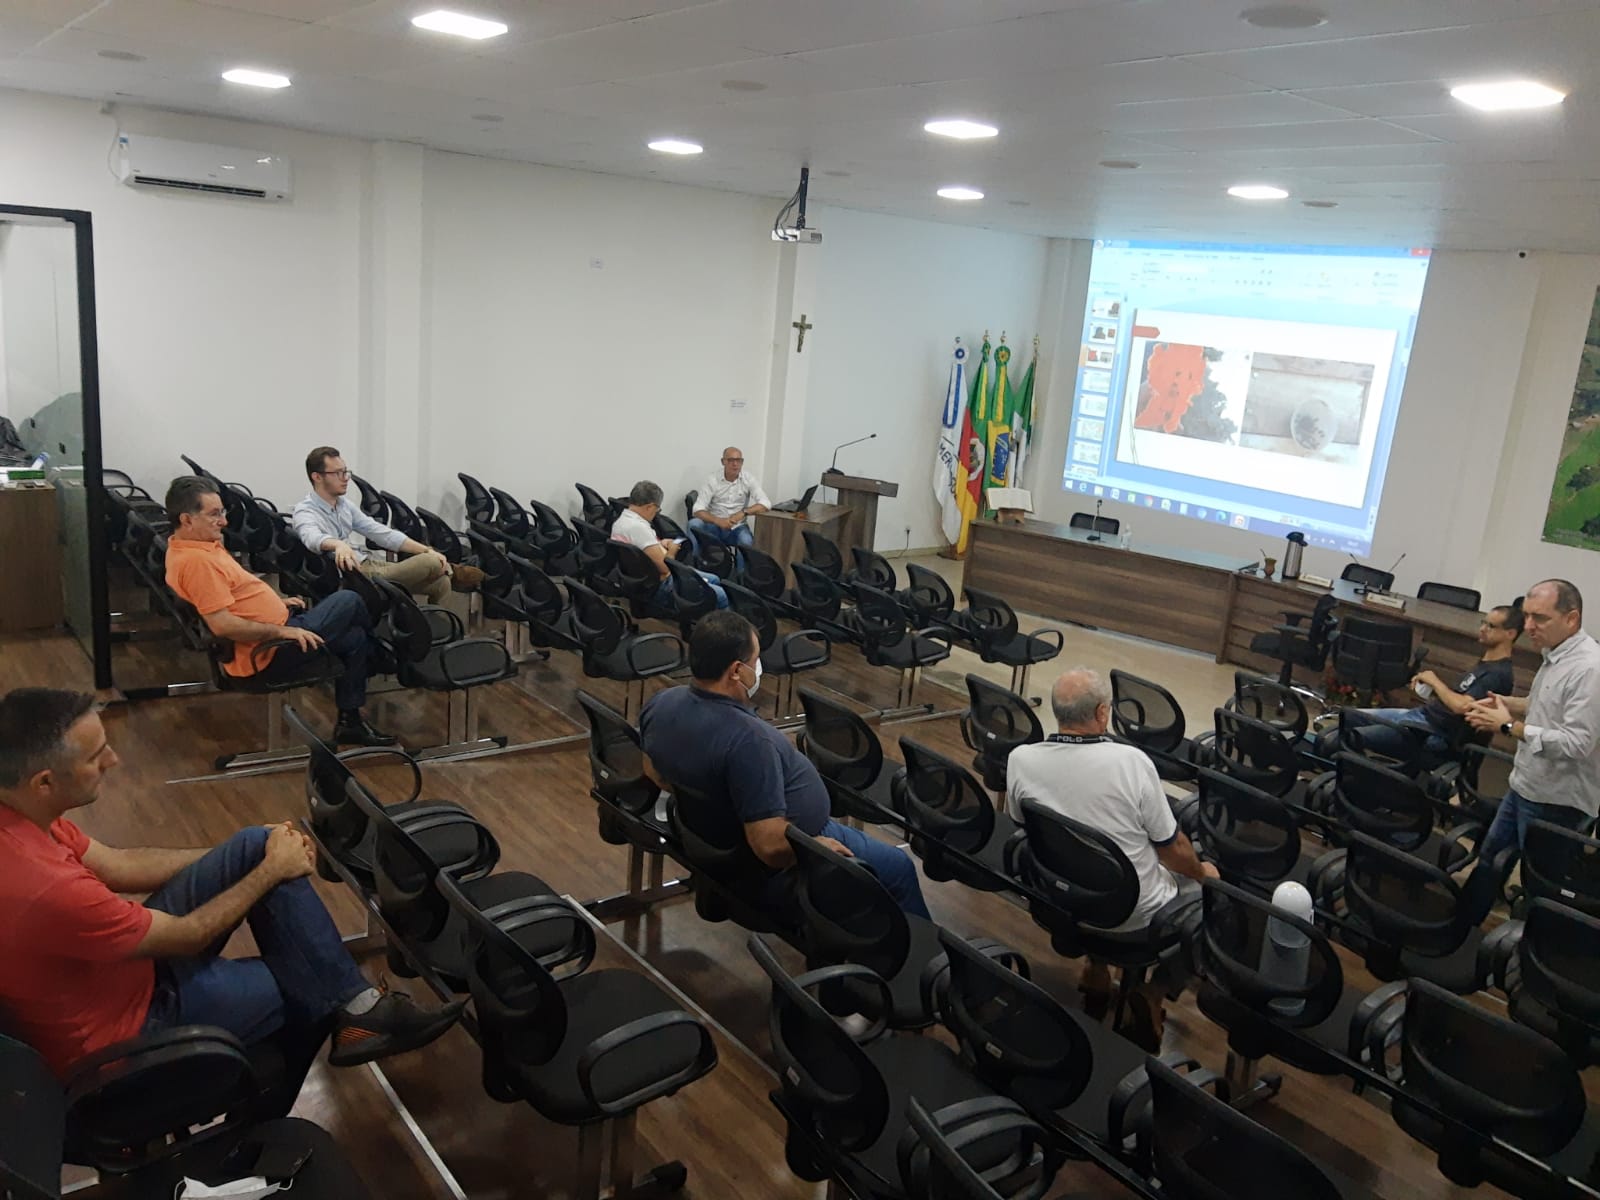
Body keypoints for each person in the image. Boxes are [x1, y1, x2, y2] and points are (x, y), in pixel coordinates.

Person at [0, 688, 464, 1079]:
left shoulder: (24, 814)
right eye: (96, 756)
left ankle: (358, 1009)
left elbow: (118, 865)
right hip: (129, 1031)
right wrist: (271, 871)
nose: (113, 759)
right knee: (307, 987)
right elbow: (186, 937)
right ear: (45, 782)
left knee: (255, 843)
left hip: (122, 975)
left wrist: (247, 859)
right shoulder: (47, 886)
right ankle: (293, 1081)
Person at [639, 610, 929, 919]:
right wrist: (815, 849)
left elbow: (653, 771)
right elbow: (770, 847)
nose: (759, 668)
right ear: (736, 671)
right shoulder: (748, 742)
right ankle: (913, 948)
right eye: (755, 660)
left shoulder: (661, 703)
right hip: (791, 851)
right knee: (899, 868)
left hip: (720, 838)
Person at [1005, 667, 1215, 1050]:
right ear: (1103, 713)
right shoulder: (1131, 763)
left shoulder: (1021, 759)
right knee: (1213, 900)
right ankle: (1155, 992)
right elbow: (1172, 850)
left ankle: (1097, 967)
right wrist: (1203, 873)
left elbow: (1025, 825)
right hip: (1133, 916)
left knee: (1082, 857)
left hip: (1061, 897)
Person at [164, 474, 396, 747]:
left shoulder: (195, 546)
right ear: (187, 520)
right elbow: (223, 625)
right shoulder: (197, 564)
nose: (224, 521)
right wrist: (284, 632)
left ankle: (350, 723)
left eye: (222, 512)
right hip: (266, 652)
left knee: (355, 638)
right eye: (214, 514)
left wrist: (275, 604)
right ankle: (384, 657)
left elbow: (233, 596)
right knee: (350, 599)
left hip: (273, 635)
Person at [1465, 578, 1600, 879]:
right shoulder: (1555, 653)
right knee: (1488, 862)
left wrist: (1508, 726)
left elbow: (1576, 744)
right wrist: (1505, 702)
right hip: (1525, 784)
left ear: (1572, 618)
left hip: (1557, 801)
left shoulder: (1590, 669)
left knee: (1538, 881)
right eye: (1526, 616)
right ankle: (1468, 910)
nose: (1528, 627)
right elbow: (1544, 706)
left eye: (1539, 618)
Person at [291, 446, 483, 605]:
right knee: (431, 563)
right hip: (355, 575)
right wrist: (337, 544)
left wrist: (426, 550)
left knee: (441, 584)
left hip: (368, 562)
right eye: (337, 473)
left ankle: (432, 630)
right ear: (317, 477)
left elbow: (382, 534)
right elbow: (311, 538)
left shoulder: (344, 505)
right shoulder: (305, 511)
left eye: (345, 472)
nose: (345, 478)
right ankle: (453, 570)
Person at [1341, 602, 1523, 765]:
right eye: (1483, 623)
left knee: (1348, 736)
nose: (1483, 629)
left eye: (1491, 626)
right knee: (1346, 717)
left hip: (1432, 734)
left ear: (1510, 634)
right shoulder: (1486, 664)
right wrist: (1432, 690)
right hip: (1423, 717)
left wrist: (1435, 681)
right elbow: (1459, 698)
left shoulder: (1497, 674)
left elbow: (1462, 706)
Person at [611, 480, 729, 610]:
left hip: (641, 581)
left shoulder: (621, 521)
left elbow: (641, 550)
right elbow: (666, 569)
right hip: (661, 586)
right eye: (657, 509)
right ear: (650, 507)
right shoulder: (638, 528)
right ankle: (718, 622)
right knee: (721, 594)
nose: (656, 513)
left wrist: (659, 543)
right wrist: (672, 550)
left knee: (714, 579)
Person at [690, 447, 769, 552]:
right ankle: (694, 560)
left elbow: (766, 503)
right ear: (723, 461)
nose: (735, 464)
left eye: (738, 460)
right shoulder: (712, 479)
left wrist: (743, 512)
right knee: (694, 524)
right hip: (714, 526)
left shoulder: (748, 479)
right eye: (731, 460)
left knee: (746, 540)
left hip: (737, 527)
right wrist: (718, 521)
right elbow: (697, 510)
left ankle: (740, 564)